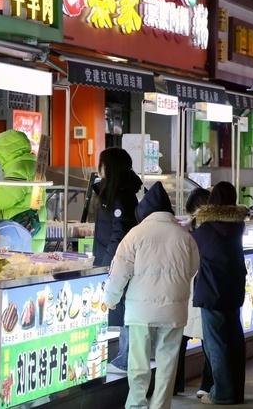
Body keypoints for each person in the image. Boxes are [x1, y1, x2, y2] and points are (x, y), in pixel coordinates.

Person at [104, 182, 199, 409]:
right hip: (174, 309)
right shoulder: (185, 236)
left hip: (141, 310)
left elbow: (119, 272)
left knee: (139, 362)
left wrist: (111, 300)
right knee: (167, 362)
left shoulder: (135, 235)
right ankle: (160, 405)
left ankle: (136, 404)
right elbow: (193, 268)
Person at [193, 182, 248, 404]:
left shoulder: (205, 229)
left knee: (215, 344)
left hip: (211, 291)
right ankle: (236, 391)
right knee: (234, 342)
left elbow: (193, 249)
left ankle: (222, 394)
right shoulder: (238, 226)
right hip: (233, 290)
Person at [93, 147, 143, 375]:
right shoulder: (117, 192)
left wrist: (107, 264)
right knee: (122, 308)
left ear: (109, 167)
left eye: (101, 163)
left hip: (117, 262)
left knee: (124, 309)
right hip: (114, 260)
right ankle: (123, 357)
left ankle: (125, 359)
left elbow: (119, 233)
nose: (98, 167)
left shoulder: (121, 196)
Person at [176, 188, 212, 397]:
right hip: (197, 291)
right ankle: (203, 385)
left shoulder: (202, 232)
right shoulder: (195, 230)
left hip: (198, 290)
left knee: (190, 339)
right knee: (204, 340)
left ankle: (201, 385)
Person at [0, 130, 47, 252]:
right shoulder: (31, 164)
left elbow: (4, 198)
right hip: (31, 230)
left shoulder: (19, 168)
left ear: (6, 152)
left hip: (19, 233)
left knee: (19, 261)